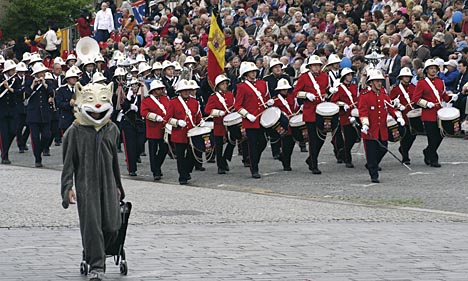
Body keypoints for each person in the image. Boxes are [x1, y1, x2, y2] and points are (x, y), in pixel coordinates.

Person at [61, 81, 124, 281]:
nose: (97, 111)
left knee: (113, 225)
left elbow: (115, 161)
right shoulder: (74, 131)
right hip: (86, 184)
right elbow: (68, 164)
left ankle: (95, 250)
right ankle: (97, 265)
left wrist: (119, 187)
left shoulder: (112, 129)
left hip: (108, 183)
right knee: (92, 225)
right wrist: (67, 188)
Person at [359, 69, 403, 183]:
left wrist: (398, 117)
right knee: (371, 153)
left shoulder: (383, 94)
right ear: (371, 82)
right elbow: (363, 112)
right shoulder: (365, 96)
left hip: (382, 129)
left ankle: (371, 165)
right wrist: (365, 124)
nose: (379, 83)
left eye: (380, 81)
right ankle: (374, 174)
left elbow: (390, 107)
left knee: (383, 149)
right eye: (377, 81)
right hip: (370, 129)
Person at [412, 59, 453, 168]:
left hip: (439, 113)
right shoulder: (421, 83)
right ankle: (433, 159)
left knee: (440, 136)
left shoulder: (440, 82)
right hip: (428, 114)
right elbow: (415, 99)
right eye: (431, 68)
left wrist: (452, 97)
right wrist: (426, 103)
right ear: (426, 70)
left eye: (435, 68)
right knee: (432, 137)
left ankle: (427, 151)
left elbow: (443, 95)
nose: (434, 70)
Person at [234, 62, 272, 179]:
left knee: (263, 142)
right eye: (251, 72)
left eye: (255, 71)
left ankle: (253, 159)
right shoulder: (242, 87)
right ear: (245, 74)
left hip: (262, 119)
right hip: (250, 121)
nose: (254, 73)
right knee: (253, 145)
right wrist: (247, 114)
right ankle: (254, 169)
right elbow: (237, 106)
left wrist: (269, 102)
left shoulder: (262, 84)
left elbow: (266, 98)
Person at [293, 55, 330, 174]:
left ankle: (311, 159)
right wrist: (306, 95)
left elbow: (326, 90)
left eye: (318, 65)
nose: (316, 68)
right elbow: (296, 92)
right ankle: (314, 164)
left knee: (322, 137)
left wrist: (331, 91)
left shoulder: (325, 76)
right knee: (313, 139)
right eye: (314, 66)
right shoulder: (304, 77)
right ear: (309, 67)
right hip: (310, 111)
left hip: (322, 111)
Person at [165, 79, 203, 185]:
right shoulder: (173, 102)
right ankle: (182, 176)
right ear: (180, 91)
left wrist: (201, 122)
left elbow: (198, 116)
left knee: (192, 154)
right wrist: (177, 122)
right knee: (180, 156)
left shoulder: (195, 102)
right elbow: (167, 119)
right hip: (179, 133)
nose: (186, 92)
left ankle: (187, 170)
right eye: (184, 90)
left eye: (188, 90)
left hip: (192, 132)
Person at [204, 74, 236, 174]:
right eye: (222, 84)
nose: (225, 85)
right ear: (218, 86)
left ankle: (226, 157)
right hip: (219, 123)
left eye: (225, 83)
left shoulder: (230, 94)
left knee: (234, 139)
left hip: (230, 122)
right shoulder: (214, 97)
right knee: (219, 146)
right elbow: (207, 110)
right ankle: (220, 166)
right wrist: (218, 112)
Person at [25, 63, 54, 167]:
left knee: (47, 135)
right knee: (35, 138)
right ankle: (38, 158)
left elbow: (52, 93)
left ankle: (40, 150)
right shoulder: (29, 82)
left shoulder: (48, 82)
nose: (43, 74)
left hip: (45, 114)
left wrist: (45, 84)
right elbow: (25, 95)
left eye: (43, 72)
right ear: (36, 74)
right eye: (41, 73)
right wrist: (33, 85)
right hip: (34, 114)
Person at [140, 79, 170, 181]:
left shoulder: (165, 99)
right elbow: (143, 112)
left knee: (164, 149)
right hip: (153, 129)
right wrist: (155, 117)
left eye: (161, 89)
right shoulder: (147, 100)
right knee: (153, 152)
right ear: (153, 90)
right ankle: (155, 171)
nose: (160, 90)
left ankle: (157, 166)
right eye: (158, 89)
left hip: (164, 129)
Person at [330, 67, 360, 168]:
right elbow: (334, 102)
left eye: (351, 75)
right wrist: (342, 104)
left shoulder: (354, 87)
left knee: (356, 136)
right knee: (348, 137)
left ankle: (343, 151)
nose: (350, 77)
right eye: (348, 75)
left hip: (355, 114)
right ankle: (348, 158)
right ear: (343, 77)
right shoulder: (339, 88)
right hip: (345, 116)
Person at [263, 58, 291, 160]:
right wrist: (268, 102)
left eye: (279, 67)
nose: (278, 69)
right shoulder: (267, 79)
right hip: (273, 105)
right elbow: (265, 93)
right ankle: (276, 151)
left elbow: (290, 91)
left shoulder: (286, 77)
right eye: (275, 67)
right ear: (271, 69)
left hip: (285, 104)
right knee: (275, 130)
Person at [390, 67, 417, 165]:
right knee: (405, 136)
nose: (407, 78)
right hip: (403, 116)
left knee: (413, 136)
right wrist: (397, 105)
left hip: (413, 115)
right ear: (401, 78)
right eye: (405, 76)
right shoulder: (396, 89)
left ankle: (403, 149)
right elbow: (391, 102)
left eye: (408, 76)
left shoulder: (414, 87)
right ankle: (405, 156)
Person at [120, 78, 146, 176]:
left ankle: (136, 156)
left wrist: (137, 107)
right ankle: (132, 169)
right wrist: (128, 99)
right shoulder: (126, 95)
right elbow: (122, 107)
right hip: (128, 123)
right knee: (130, 146)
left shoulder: (141, 96)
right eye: (132, 85)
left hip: (139, 123)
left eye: (136, 85)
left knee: (140, 144)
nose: (134, 87)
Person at [273, 78, 298, 171]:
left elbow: (295, 107)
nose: (285, 90)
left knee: (291, 144)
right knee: (286, 144)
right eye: (283, 89)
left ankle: (284, 158)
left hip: (292, 122)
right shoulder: (275, 100)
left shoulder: (292, 97)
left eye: (286, 89)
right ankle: (286, 163)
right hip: (283, 125)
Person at [0, 60, 17, 164]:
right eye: (12, 69)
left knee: (12, 132)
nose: (14, 71)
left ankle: (4, 149)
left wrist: (9, 88)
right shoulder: (1, 79)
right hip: (2, 110)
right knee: (4, 134)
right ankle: (5, 156)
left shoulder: (15, 80)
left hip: (12, 109)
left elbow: (18, 92)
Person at [13, 62, 30, 153]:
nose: (22, 73)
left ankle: (23, 140)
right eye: (20, 71)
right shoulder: (15, 80)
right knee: (19, 127)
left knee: (28, 125)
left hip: (26, 105)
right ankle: (20, 145)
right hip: (19, 105)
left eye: (23, 71)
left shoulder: (27, 79)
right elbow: (16, 91)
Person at [55, 69, 78, 135]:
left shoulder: (79, 89)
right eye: (72, 78)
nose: (74, 79)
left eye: (75, 78)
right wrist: (69, 104)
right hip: (66, 118)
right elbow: (59, 103)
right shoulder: (61, 90)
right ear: (67, 79)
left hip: (77, 119)